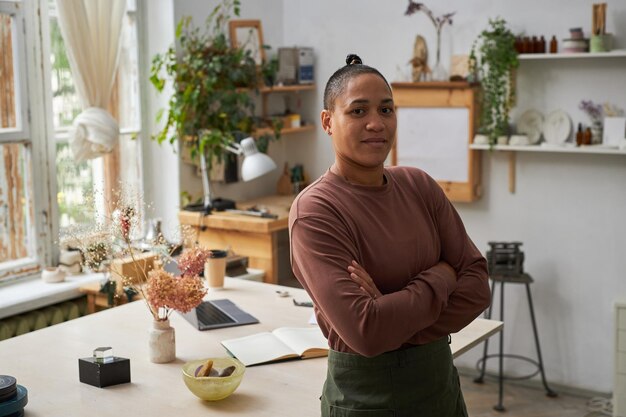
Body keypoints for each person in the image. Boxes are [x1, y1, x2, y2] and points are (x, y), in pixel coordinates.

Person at [288, 54, 491, 417]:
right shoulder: (316, 211)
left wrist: (391, 319)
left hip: (439, 388)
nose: (376, 124)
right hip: (367, 399)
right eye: (358, 111)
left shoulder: (419, 185)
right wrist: (441, 275)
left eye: (386, 110)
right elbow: (367, 331)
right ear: (327, 121)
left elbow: (477, 288)